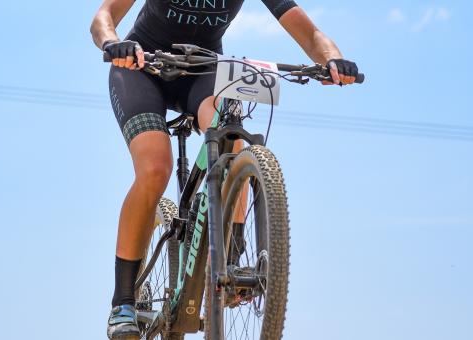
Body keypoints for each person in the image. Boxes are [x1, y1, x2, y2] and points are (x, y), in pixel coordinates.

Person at [90, 1, 359, 338]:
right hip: (140, 67)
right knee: (156, 167)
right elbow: (103, 19)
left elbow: (310, 33)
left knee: (230, 133)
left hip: (202, 71)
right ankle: (123, 301)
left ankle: (231, 257)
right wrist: (112, 42)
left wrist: (332, 58)